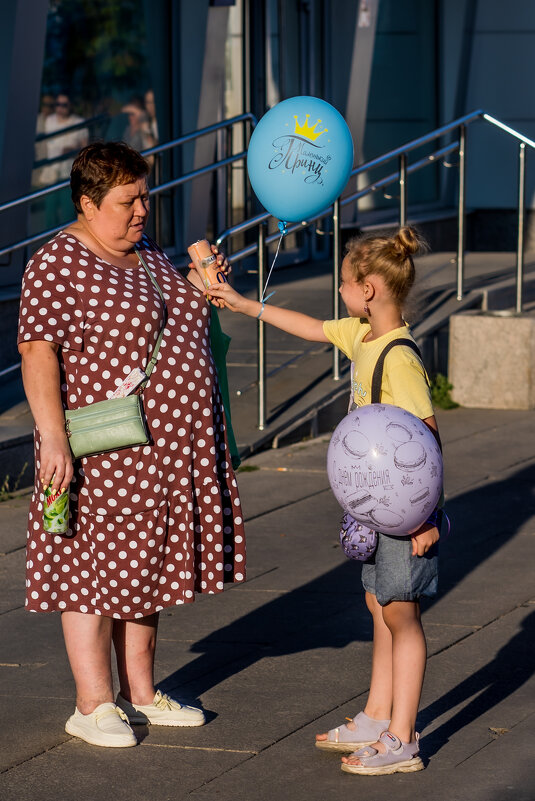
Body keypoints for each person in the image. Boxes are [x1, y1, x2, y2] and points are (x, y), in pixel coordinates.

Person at [17, 141, 245, 749]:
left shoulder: (145, 254)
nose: (143, 209)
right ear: (89, 204)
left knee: (141, 570)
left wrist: (205, 286)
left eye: (143, 195)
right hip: (100, 451)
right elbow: (37, 353)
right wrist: (53, 440)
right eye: (128, 200)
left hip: (159, 454)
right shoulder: (56, 263)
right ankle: (92, 703)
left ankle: (140, 694)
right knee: (91, 572)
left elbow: (179, 321)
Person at [205, 227, 441, 776]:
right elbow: (311, 328)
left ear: (370, 289)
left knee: (402, 615)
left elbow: (427, 439)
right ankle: (377, 714)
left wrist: (426, 518)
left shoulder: (398, 359)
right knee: (378, 605)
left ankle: (402, 738)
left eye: (342, 284)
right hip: (379, 507)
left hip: (407, 515)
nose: (338, 294)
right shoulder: (364, 335)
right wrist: (242, 304)